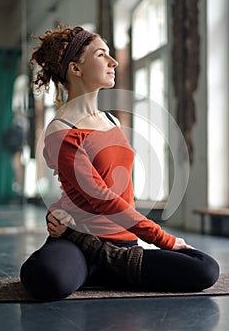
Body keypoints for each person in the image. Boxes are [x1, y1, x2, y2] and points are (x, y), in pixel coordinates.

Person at [20, 24, 219, 300]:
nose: (113, 62)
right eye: (101, 55)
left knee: (205, 270)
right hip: (77, 240)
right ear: (76, 69)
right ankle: (91, 259)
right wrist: (164, 239)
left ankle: (107, 265)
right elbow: (100, 198)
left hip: (124, 244)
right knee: (48, 279)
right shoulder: (60, 130)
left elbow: (119, 187)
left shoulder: (111, 120)